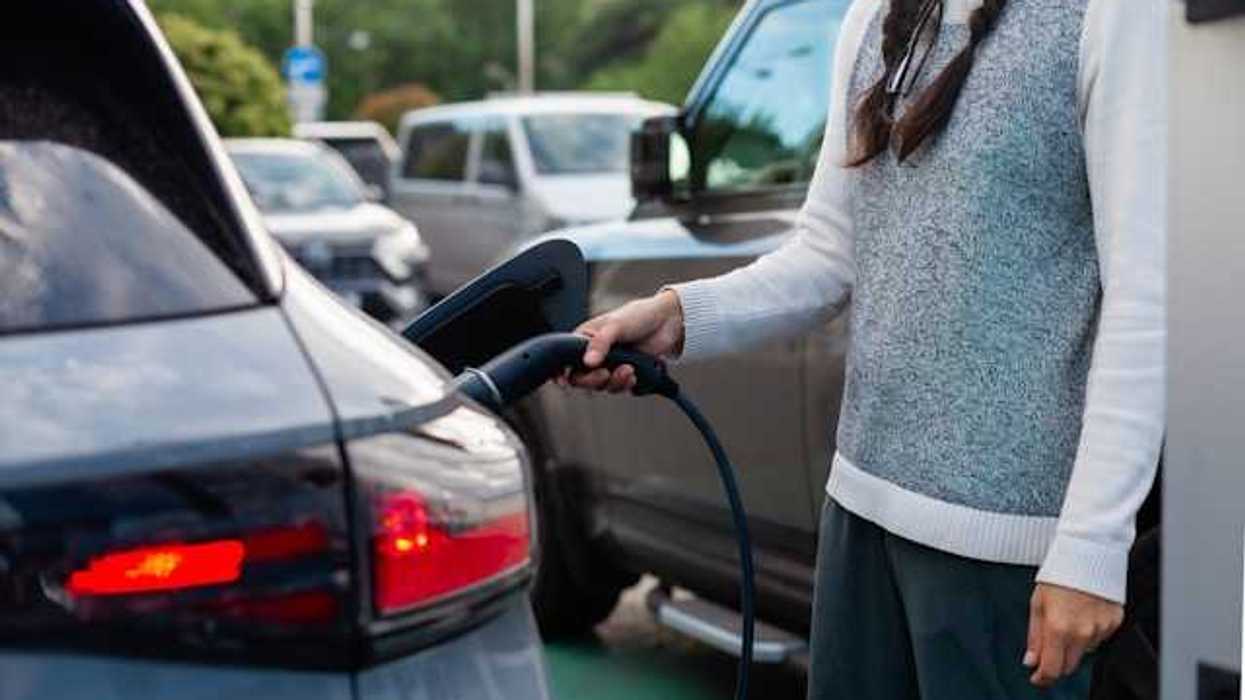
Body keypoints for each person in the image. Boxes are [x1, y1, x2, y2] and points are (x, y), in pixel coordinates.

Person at [566, 0, 1166, 697]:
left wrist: (1090, 552)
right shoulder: (873, 16)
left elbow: (1145, 303)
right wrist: (676, 316)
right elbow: (828, 253)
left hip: (1008, 553)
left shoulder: (1112, 14)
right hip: (858, 516)